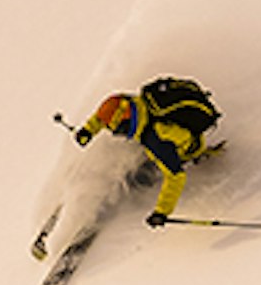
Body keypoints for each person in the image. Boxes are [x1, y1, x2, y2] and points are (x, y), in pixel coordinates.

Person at [73, 77, 220, 226]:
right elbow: (104, 116)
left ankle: (140, 182)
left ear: (127, 123)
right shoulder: (138, 103)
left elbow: (176, 176)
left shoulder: (156, 139)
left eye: (119, 130)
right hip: (167, 134)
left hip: (186, 147)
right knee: (133, 151)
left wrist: (161, 212)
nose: (117, 134)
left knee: (142, 175)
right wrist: (88, 130)